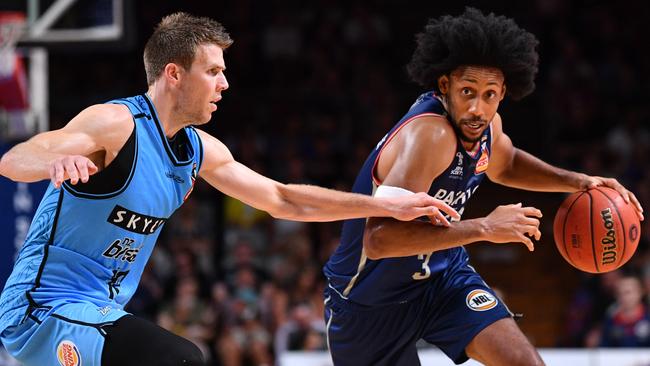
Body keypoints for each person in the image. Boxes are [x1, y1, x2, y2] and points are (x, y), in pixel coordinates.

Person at [0, 13, 457, 366]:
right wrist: (55, 160)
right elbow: (17, 158)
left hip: (99, 311)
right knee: (179, 358)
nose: (225, 83)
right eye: (213, 71)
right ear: (174, 74)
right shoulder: (116, 124)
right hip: (41, 309)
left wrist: (382, 205)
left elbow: (283, 198)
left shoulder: (199, 150)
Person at [323, 7, 645, 366]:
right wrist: (485, 227)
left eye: (489, 94)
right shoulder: (430, 135)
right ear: (444, 86)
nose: (478, 107)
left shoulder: (487, 126)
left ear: (503, 92)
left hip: (440, 279)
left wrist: (577, 181)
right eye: (467, 91)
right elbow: (380, 239)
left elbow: (505, 164)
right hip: (368, 300)